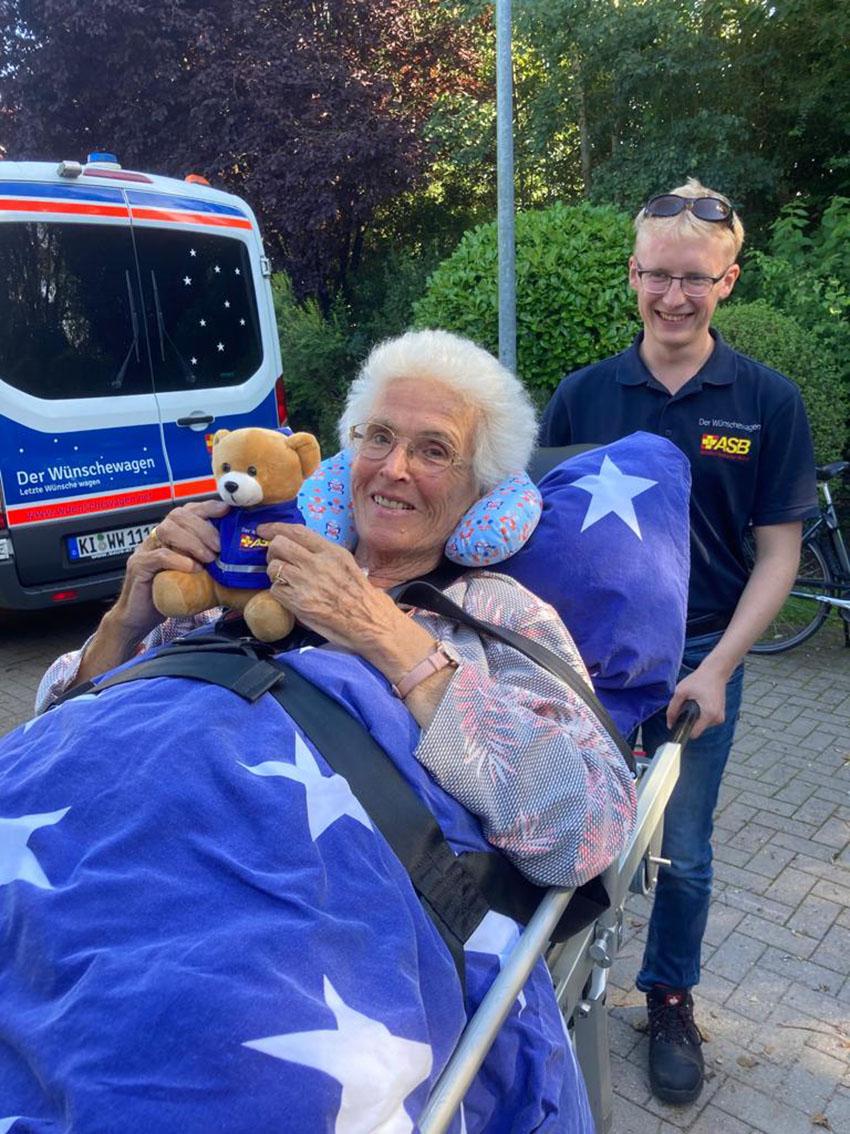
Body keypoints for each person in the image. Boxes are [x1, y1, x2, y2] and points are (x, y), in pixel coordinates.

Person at [39, 327, 637, 894]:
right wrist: (126, 618)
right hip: (130, 845)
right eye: (378, 437)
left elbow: (589, 830)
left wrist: (386, 635)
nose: (394, 468)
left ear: (482, 489)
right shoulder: (248, 568)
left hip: (301, 897)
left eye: (434, 451)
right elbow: (56, 732)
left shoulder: (496, 610)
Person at [540, 180, 818, 1105]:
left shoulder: (768, 402)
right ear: (633, 273)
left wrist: (720, 668)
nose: (674, 295)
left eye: (695, 278)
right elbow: (534, 531)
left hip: (702, 661)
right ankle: (547, 989)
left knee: (684, 853)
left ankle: (667, 998)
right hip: (585, 662)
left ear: (728, 280)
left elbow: (779, 554)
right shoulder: (582, 397)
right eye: (658, 274)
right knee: (560, 828)